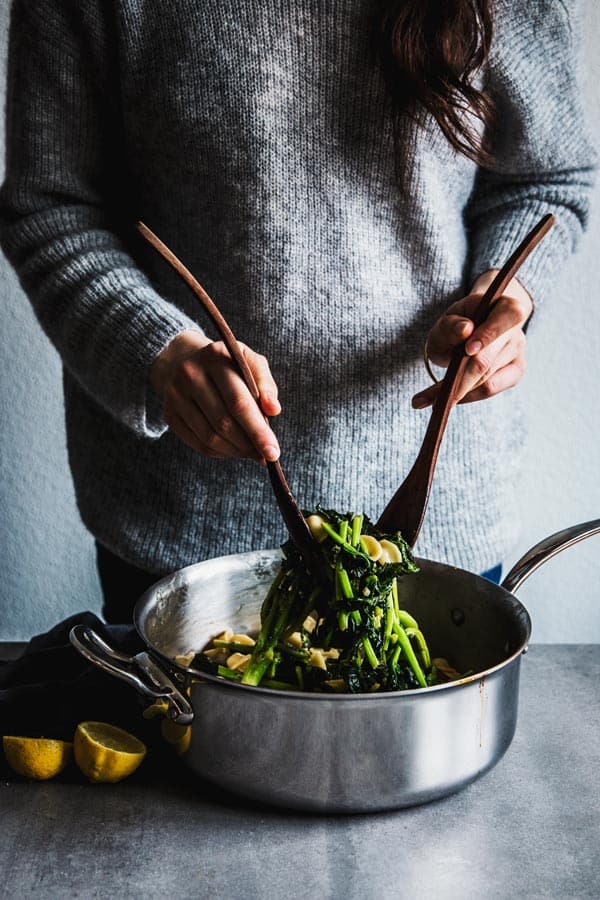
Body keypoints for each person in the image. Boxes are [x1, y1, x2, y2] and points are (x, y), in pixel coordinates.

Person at [0, 0, 595, 623]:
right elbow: (52, 208)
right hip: (184, 525)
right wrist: (160, 352)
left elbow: (545, 181)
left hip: (438, 513)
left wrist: (508, 294)